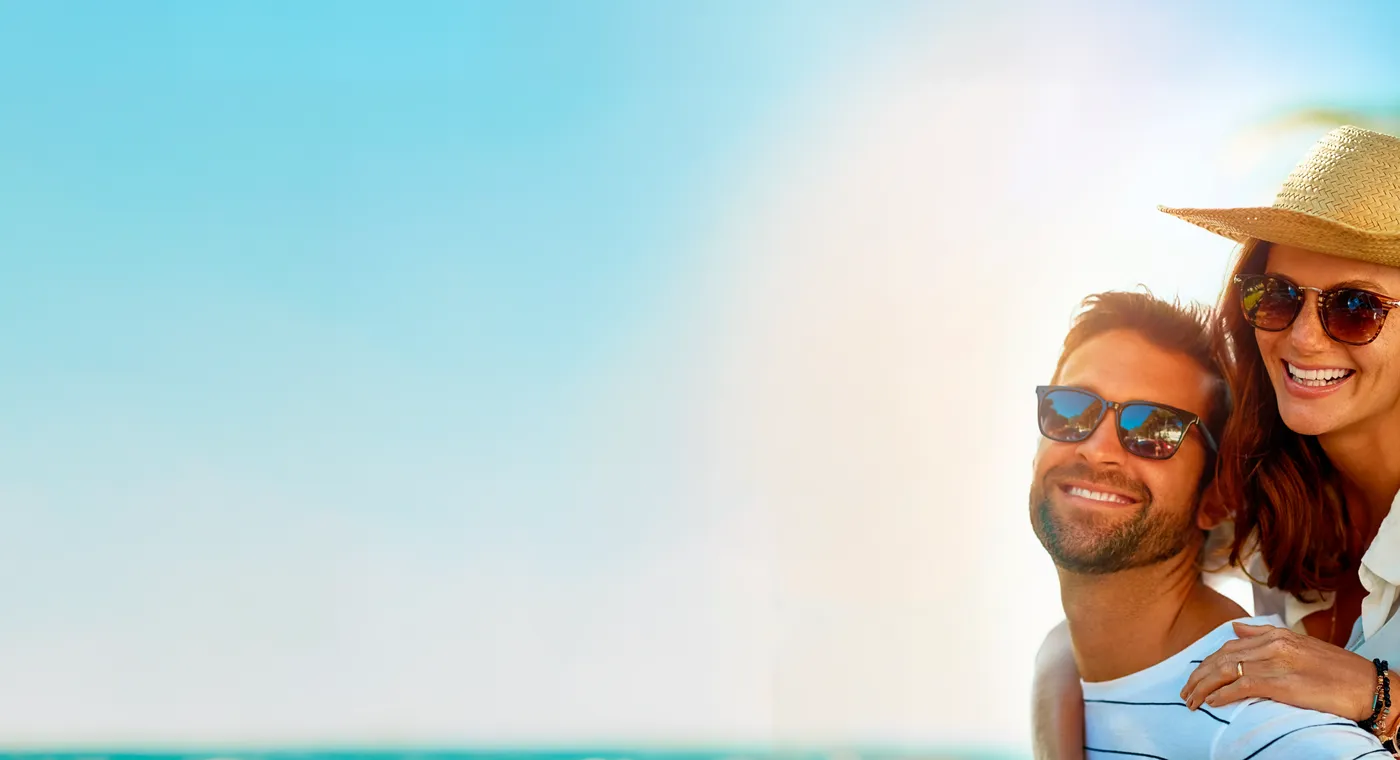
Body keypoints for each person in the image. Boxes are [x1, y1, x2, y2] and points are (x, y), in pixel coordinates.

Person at [1032, 125, 1400, 757]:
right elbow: (1104, 608)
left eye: (1356, 308)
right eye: (1278, 297)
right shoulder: (1262, 488)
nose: (1303, 338)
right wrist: (1059, 724)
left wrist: (1380, 695)